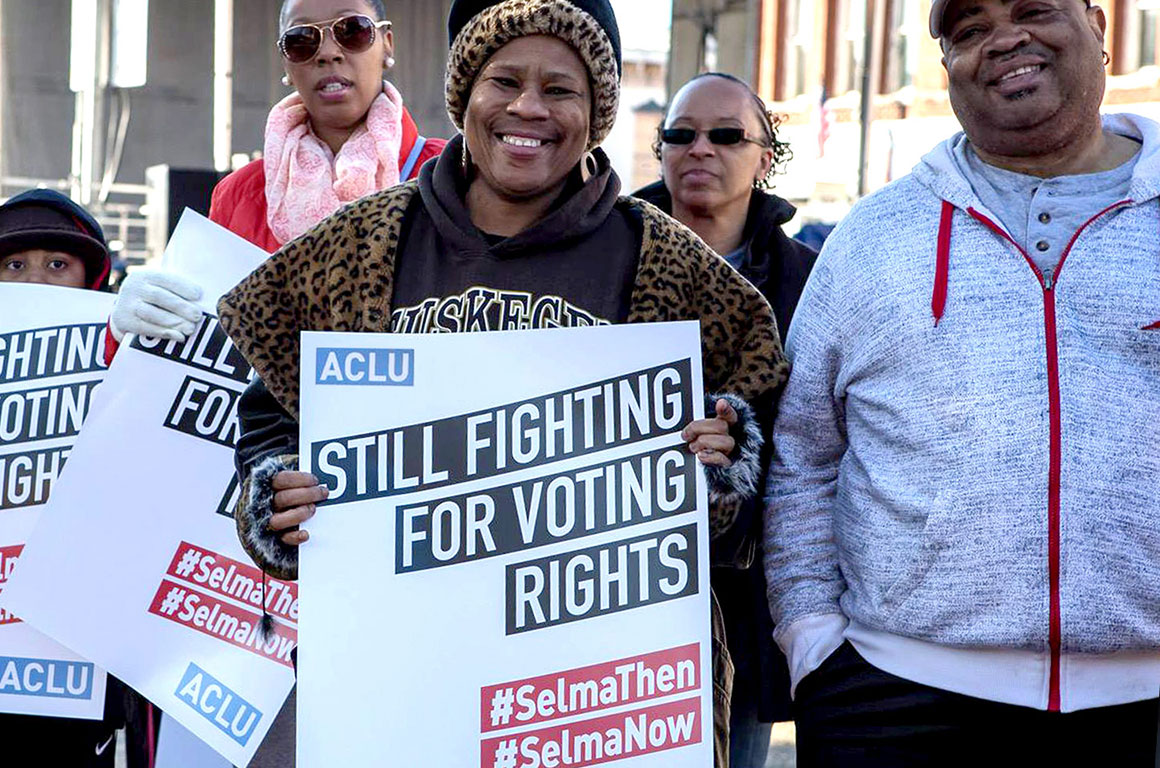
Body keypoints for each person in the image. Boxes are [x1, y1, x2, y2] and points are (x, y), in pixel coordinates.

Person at [217, 1, 786, 764]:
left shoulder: (671, 266)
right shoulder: (363, 242)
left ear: (598, 111)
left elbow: (760, 466)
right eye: (504, 81)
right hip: (393, 686)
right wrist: (274, 493)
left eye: (561, 89)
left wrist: (724, 468)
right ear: (465, 95)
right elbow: (270, 417)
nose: (528, 108)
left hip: (594, 702)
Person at [764, 0, 1160, 765]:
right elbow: (803, 450)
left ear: (1101, 28)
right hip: (892, 696)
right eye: (969, 29)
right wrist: (813, 643)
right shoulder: (873, 238)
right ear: (946, 64)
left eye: (1033, 9)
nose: (1004, 39)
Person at [633, 72, 816, 768]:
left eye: (726, 134)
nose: (699, 148)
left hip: (742, 612)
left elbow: (828, 443)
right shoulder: (604, 256)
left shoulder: (809, 281)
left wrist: (743, 454)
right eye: (680, 134)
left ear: (765, 155)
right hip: (604, 599)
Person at [107, 0, 446, 347]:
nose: (328, 53)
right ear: (286, 63)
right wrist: (128, 333)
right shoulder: (239, 193)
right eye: (302, 40)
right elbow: (198, 346)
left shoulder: (449, 176)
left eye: (352, 31)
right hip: (269, 401)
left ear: (386, 43)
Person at [0, 189, 125, 764]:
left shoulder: (131, 368)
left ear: (89, 279)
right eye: (14, 265)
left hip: (70, 655)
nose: (36, 282)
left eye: (57, 265)